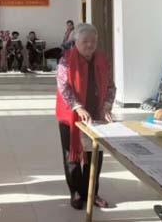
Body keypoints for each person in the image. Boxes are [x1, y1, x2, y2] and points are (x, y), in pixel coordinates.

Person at [55, 23, 116, 210]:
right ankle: (75, 192)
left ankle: (91, 193)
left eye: (93, 41)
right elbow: (63, 87)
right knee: (72, 155)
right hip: (71, 114)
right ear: (76, 42)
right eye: (85, 41)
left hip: (95, 114)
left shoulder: (102, 60)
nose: (90, 45)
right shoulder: (66, 60)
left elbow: (111, 86)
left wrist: (106, 107)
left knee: (94, 154)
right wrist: (78, 107)